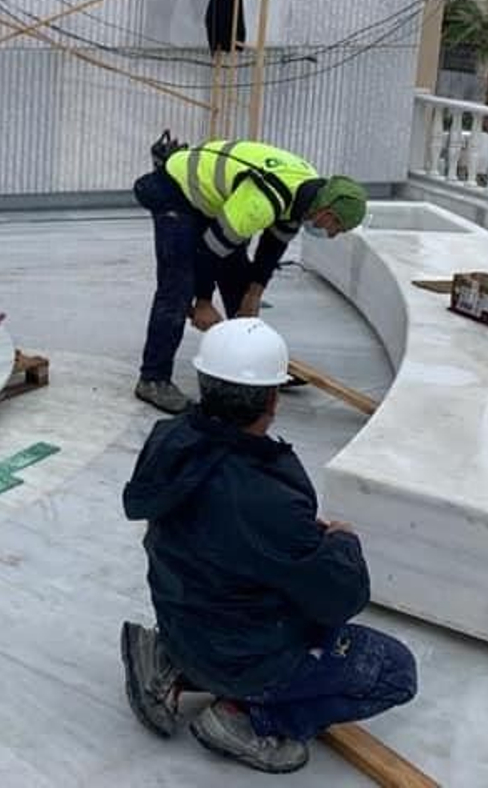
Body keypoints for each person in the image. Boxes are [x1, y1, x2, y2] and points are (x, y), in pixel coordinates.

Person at [119, 319, 416, 774]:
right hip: (239, 654)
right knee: (395, 671)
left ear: (205, 382)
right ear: (273, 398)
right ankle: (248, 720)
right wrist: (342, 544)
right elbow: (340, 599)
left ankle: (168, 660)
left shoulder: (170, 440)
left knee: (233, 579)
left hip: (182, 619)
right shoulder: (266, 495)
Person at [133, 139, 367, 414]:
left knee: (240, 283)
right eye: (336, 226)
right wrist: (204, 302)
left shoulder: (307, 194)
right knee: (178, 287)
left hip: (213, 197)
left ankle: (253, 362)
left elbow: (273, 246)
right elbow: (208, 251)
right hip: (174, 190)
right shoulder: (261, 202)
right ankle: (153, 378)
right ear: (326, 212)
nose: (331, 234)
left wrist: (254, 294)